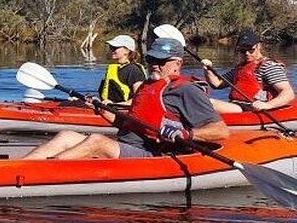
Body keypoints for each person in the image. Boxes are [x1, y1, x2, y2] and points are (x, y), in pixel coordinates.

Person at [23, 37, 229, 160]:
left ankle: (38, 173)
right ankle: (18, 167)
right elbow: (127, 124)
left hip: (152, 155)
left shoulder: (186, 90)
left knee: (97, 140)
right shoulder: (148, 87)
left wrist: (186, 134)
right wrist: (101, 109)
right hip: (126, 145)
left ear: (177, 63)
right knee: (66, 135)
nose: (154, 64)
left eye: (161, 61)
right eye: (151, 59)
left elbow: (221, 131)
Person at [200, 30, 295, 113]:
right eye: (242, 50)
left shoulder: (269, 66)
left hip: (254, 109)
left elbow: (288, 93)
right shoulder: (240, 67)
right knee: (200, 101)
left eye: (250, 49)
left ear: (259, 46)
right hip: (237, 107)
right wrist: (208, 69)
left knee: (206, 103)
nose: (246, 53)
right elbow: (217, 84)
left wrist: (268, 105)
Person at [98, 34, 146, 104]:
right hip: (107, 108)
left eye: (115, 48)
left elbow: (140, 99)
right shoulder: (114, 68)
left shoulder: (133, 70)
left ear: (127, 51)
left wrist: (114, 105)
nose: (112, 50)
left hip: (122, 110)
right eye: (111, 47)